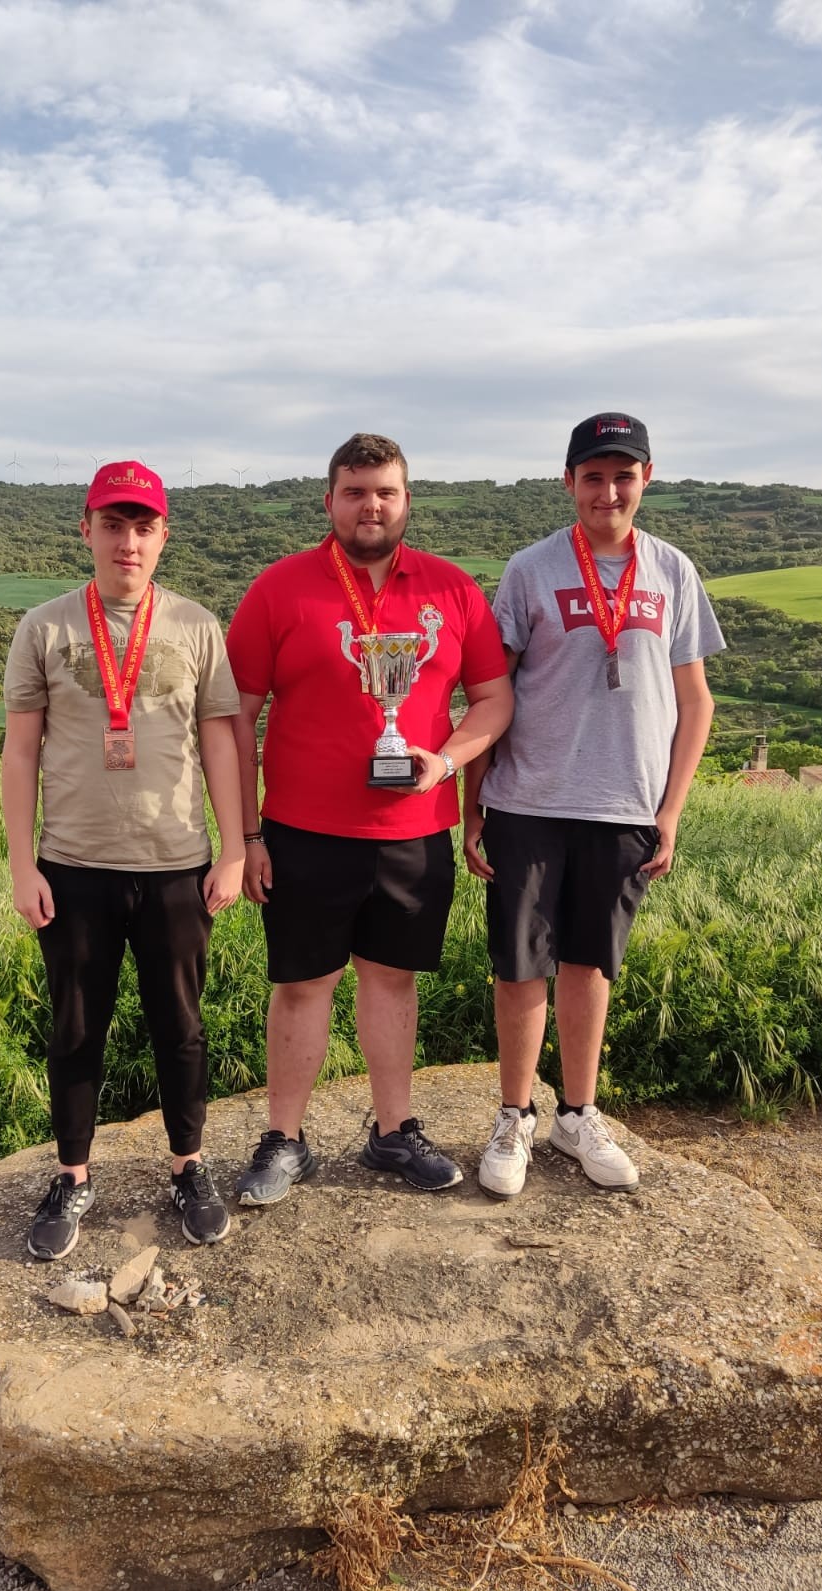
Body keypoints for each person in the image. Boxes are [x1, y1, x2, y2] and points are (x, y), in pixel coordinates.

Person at [226, 432, 513, 1204]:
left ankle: (393, 1134)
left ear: (407, 499)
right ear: (329, 501)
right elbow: (236, 715)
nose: (370, 505)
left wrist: (445, 764)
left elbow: (494, 699)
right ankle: (284, 1140)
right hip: (301, 833)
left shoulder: (453, 590)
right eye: (354, 492)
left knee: (391, 984)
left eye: (384, 491)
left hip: (414, 833)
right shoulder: (279, 588)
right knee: (301, 986)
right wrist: (245, 835)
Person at [464, 413, 723, 1198]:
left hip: (624, 805)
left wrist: (670, 811)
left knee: (590, 964)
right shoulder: (529, 569)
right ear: (569, 480)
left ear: (647, 479)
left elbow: (696, 702)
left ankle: (577, 1112)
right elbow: (489, 693)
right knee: (520, 968)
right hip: (529, 799)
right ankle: (515, 1115)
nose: (608, 490)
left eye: (624, 475)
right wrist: (471, 809)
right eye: (593, 475)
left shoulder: (672, 571)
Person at [1, 460, 244, 1256]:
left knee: (181, 1027)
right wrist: (21, 864)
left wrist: (235, 848)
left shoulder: (197, 625)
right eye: (113, 524)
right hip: (73, 866)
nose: (128, 542)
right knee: (76, 1028)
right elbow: (19, 753)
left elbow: (219, 740)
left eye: (144, 527)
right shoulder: (44, 626)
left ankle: (188, 1165)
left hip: (177, 863)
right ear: (87, 530)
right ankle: (72, 1175)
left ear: (164, 535)